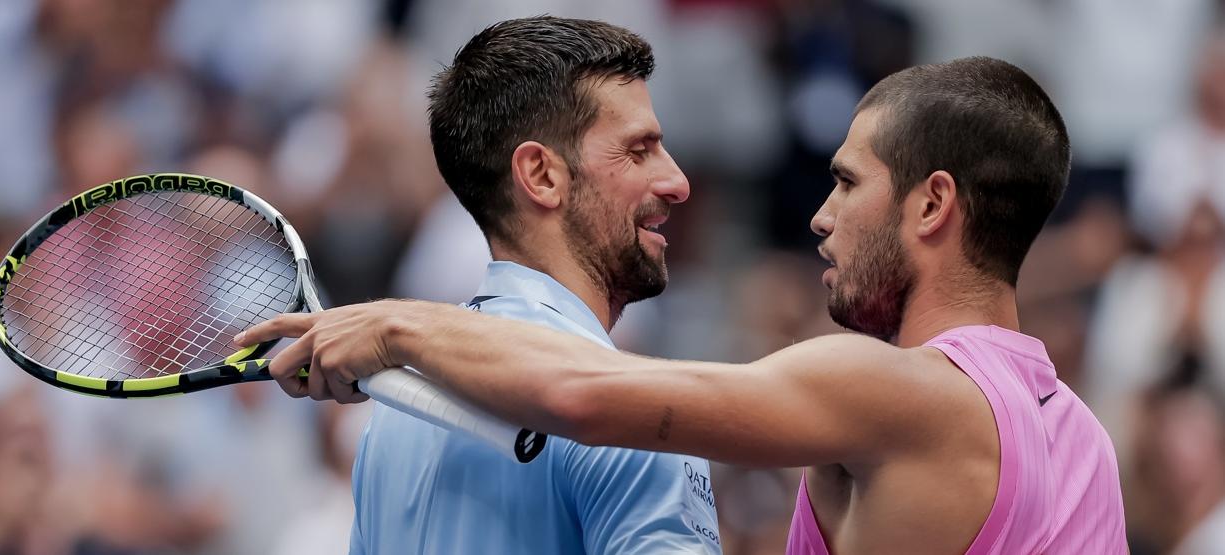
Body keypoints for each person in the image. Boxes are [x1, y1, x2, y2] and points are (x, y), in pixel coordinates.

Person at [241, 56, 1127, 553]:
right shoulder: (1086, 442)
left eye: (848, 183)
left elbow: (589, 399)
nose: (820, 216)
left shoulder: (893, 388)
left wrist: (394, 324)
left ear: (932, 205)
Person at [284, 16, 720, 554]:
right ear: (541, 175)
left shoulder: (391, 418)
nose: (677, 182)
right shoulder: (634, 407)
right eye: (638, 150)